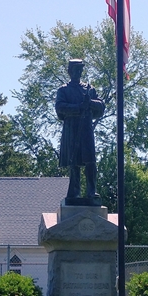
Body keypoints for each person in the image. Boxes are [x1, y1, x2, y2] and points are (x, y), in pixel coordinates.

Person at [55, 59, 104, 202]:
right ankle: (74, 193)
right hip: (72, 129)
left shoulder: (89, 89)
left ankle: (91, 191)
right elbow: (60, 108)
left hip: (86, 129)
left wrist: (90, 103)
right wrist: (78, 107)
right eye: (75, 69)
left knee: (90, 161)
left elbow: (101, 106)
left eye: (80, 69)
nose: (78, 72)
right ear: (69, 71)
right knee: (74, 161)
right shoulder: (63, 90)